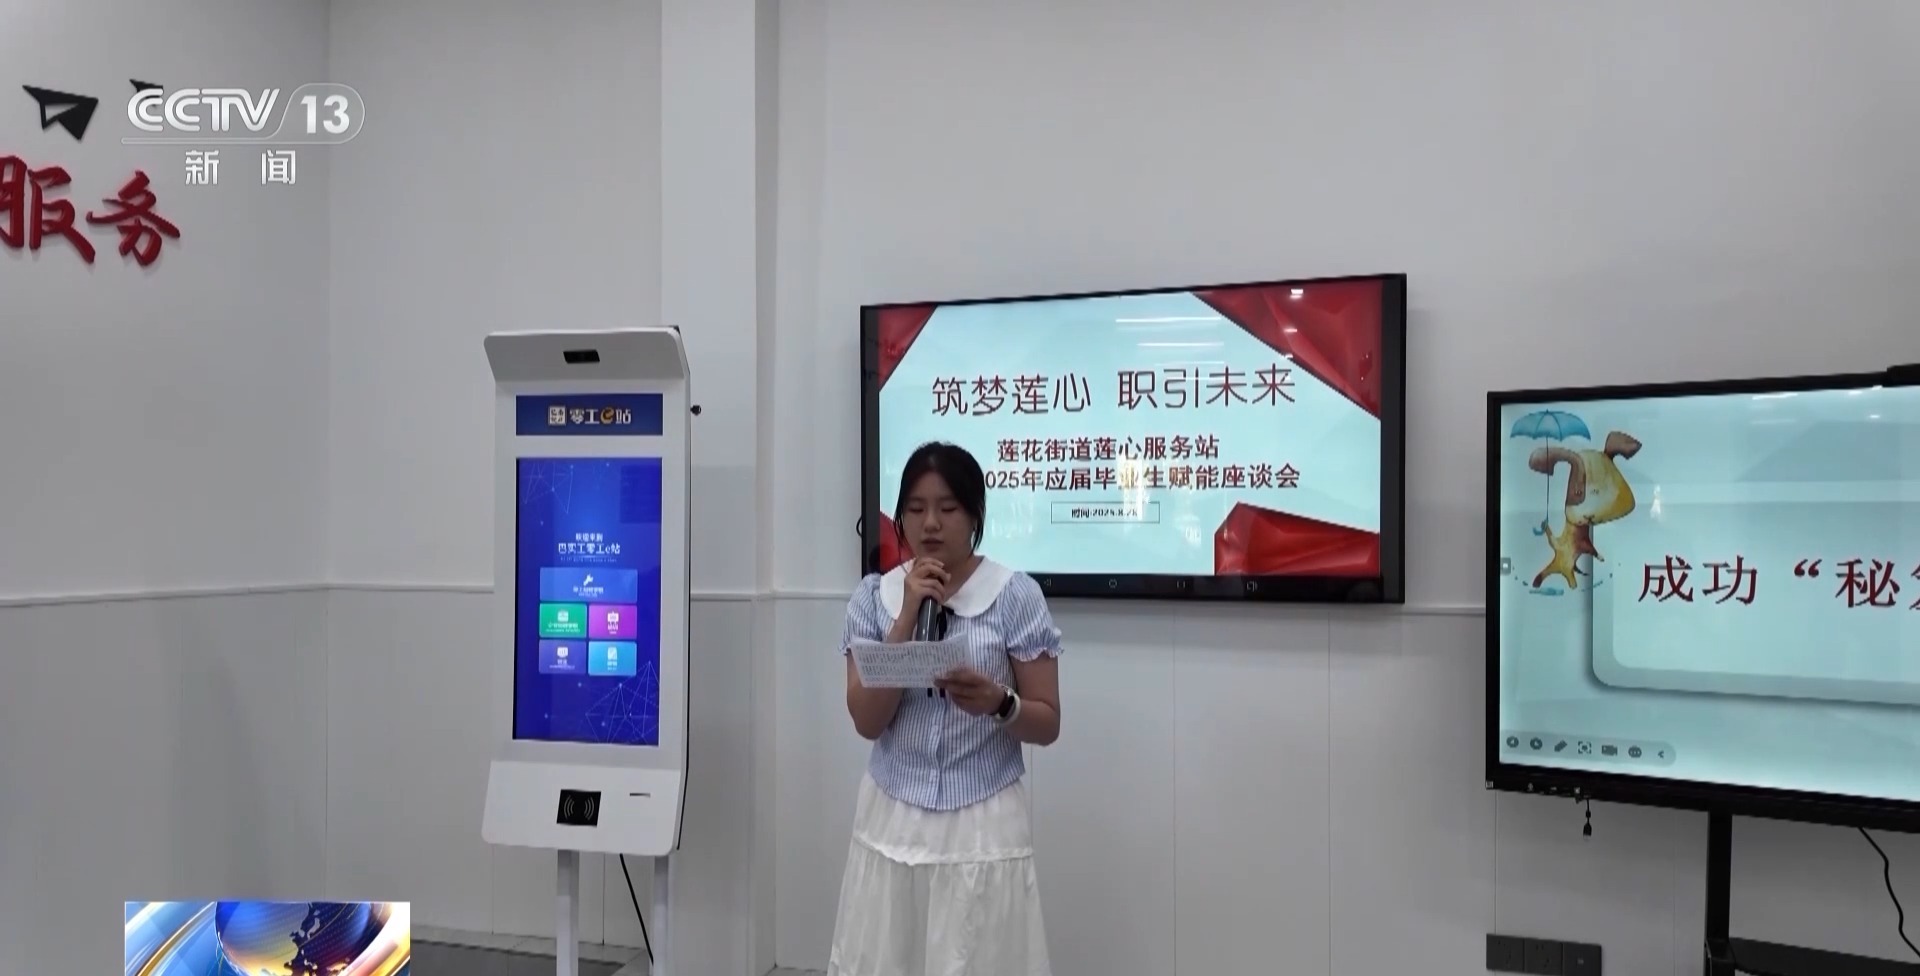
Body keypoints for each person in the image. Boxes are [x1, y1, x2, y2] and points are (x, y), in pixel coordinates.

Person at [827, 441, 1063, 976]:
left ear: (975, 514)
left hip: (983, 816)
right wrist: (906, 616)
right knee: (890, 956)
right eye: (915, 508)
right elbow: (867, 720)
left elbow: (1048, 722)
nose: (930, 523)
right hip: (894, 814)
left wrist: (1000, 703)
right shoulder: (874, 598)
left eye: (948, 508)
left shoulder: (1015, 596)